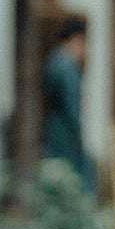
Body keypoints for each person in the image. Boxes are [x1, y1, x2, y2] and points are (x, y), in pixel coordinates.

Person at [43, 15, 92, 194]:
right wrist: (79, 129)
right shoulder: (66, 66)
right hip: (65, 133)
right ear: (75, 40)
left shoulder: (54, 60)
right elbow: (71, 103)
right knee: (72, 178)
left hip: (54, 127)